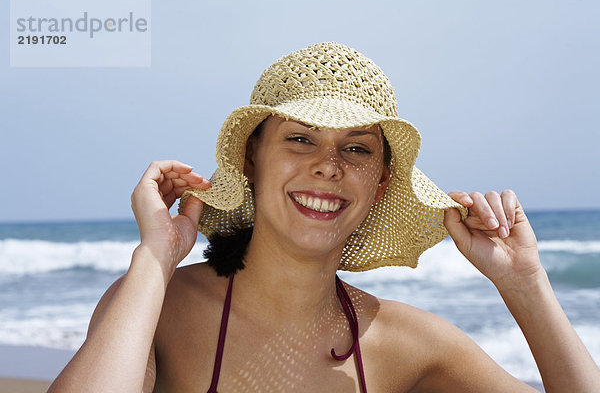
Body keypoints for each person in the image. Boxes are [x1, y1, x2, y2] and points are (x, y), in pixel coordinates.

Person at [49, 42, 599, 392]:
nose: (328, 166)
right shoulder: (158, 308)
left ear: (381, 182)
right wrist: (154, 259)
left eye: (356, 149)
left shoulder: (409, 344)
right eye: (300, 139)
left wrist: (526, 285)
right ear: (251, 160)